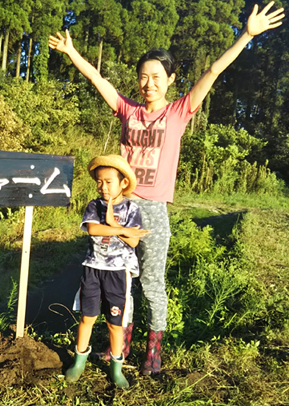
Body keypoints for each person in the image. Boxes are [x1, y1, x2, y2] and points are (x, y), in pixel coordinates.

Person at [50, 2, 285, 374]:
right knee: (119, 280)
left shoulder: (178, 111)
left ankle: (153, 353)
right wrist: (73, 52)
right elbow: (100, 82)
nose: (149, 84)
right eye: (144, 76)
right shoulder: (128, 110)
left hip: (154, 210)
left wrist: (247, 35)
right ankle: (119, 348)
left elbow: (213, 71)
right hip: (121, 207)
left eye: (157, 77)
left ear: (170, 80)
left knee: (152, 283)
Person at [66, 154, 150, 388]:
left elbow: (134, 244)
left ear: (123, 183)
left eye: (108, 181)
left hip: (118, 273)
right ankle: (78, 363)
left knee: (116, 324)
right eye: (99, 182)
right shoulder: (94, 205)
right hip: (93, 269)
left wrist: (113, 226)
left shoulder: (133, 208)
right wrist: (122, 230)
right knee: (87, 318)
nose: (102, 186)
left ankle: (116, 369)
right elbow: (93, 229)